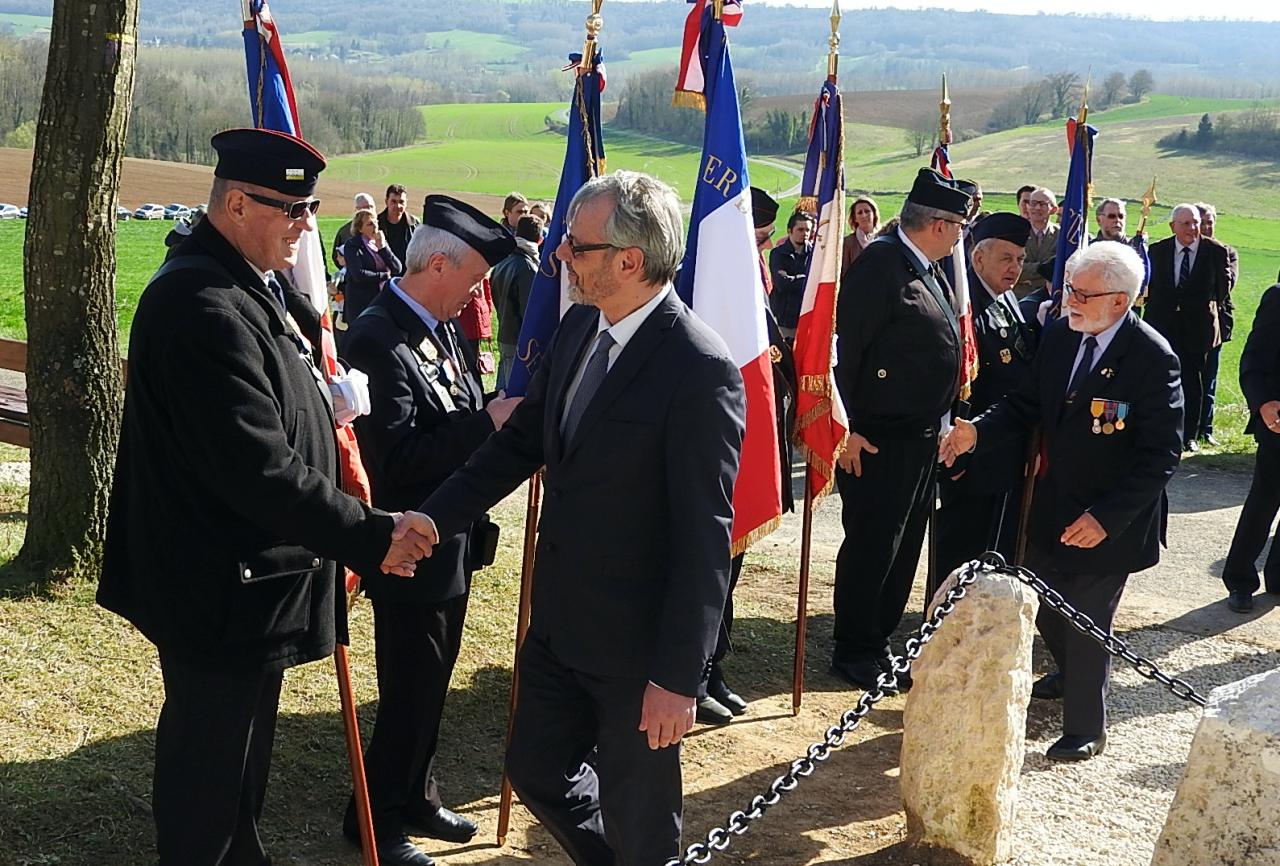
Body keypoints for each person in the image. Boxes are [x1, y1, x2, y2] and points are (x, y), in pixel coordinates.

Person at [97, 127, 434, 866]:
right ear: (238, 203)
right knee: (209, 778)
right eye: (291, 208)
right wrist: (372, 533)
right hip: (217, 587)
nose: (308, 224)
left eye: (310, 206)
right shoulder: (203, 304)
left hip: (254, 584)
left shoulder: (251, 285)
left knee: (238, 771)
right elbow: (257, 469)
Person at [411, 170, 746, 865]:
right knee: (535, 768)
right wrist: (434, 519)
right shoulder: (576, 330)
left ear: (630, 260)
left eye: (577, 245)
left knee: (642, 818)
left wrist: (680, 677)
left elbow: (704, 539)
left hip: (638, 649)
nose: (561, 255)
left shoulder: (700, 369)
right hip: (561, 625)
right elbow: (519, 446)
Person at [941, 242, 1183, 762]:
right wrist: (977, 433)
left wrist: (1106, 518)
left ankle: (1085, 728)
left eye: (1082, 293)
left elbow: (1161, 454)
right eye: (1069, 288)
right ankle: (1071, 673)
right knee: (1045, 601)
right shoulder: (1059, 336)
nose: (1068, 299)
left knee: (1088, 617)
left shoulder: (1151, 357)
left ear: (1119, 301)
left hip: (1107, 517)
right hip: (1051, 503)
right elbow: (1025, 404)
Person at [339, 196, 522, 866]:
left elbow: (459, 407)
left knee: (433, 682)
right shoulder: (375, 337)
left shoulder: (437, 327)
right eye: (472, 281)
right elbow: (395, 462)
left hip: (451, 541)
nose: (476, 296)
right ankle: (374, 821)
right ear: (437, 265)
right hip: (408, 543)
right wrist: (490, 424)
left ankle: (415, 792)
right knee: (409, 687)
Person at [830, 167, 968, 693]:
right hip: (877, 438)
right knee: (874, 544)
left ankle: (878, 640)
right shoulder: (880, 266)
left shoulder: (926, 266)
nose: (961, 235)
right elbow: (845, 352)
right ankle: (855, 648)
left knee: (904, 544)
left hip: (919, 436)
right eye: (958, 225)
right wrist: (849, 428)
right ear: (936, 224)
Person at [692, 186, 797, 726]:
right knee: (705, 570)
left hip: (748, 450)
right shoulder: (710, 289)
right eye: (756, 239)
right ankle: (694, 671)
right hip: (714, 454)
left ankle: (713, 665)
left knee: (729, 570)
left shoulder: (750, 285)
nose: (764, 249)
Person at [934, 213, 1039, 580]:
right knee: (960, 549)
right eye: (1006, 258)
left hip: (1003, 450)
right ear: (978, 259)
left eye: (1021, 260)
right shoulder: (966, 305)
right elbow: (954, 385)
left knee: (994, 549)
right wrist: (956, 461)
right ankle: (944, 622)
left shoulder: (1005, 298)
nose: (1015, 268)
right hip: (971, 455)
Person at [1142, 203, 1231, 451]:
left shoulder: (1215, 251)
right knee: (1158, 379)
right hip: (1162, 326)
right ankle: (1157, 429)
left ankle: (1189, 435)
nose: (1193, 228)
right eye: (1186, 223)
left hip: (1197, 329)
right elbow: (1149, 288)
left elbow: (1223, 289)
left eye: (1196, 223)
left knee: (1192, 383)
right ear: (1173, 226)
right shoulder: (1158, 251)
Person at [1221, 275, 1280, 613]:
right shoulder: (1277, 298)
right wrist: (1263, 404)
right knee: (1264, 502)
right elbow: (1252, 362)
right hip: (1277, 422)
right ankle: (1240, 579)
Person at [1194, 201, 1238, 447]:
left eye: (1211, 222)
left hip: (1214, 326)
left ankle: (1205, 428)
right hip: (1181, 326)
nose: (1207, 228)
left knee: (1209, 378)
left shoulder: (1225, 252)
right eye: (1203, 223)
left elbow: (1226, 286)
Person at [490, 214, 542, 390]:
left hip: (504, 332)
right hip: (521, 342)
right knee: (514, 393)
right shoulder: (528, 267)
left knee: (501, 389)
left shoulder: (504, 261)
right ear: (540, 240)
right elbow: (530, 311)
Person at [343, 209, 404, 325]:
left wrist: (383, 248)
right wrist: (384, 276)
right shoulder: (353, 245)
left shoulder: (379, 242)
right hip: (361, 304)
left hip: (382, 302)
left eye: (376, 222)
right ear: (360, 229)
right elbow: (358, 274)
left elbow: (397, 268)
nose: (375, 226)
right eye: (370, 224)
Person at [769, 210, 815, 340]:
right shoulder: (778, 254)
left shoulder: (815, 254)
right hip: (783, 318)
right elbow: (782, 284)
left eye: (808, 230)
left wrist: (795, 280)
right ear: (790, 230)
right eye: (800, 229)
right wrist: (807, 279)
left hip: (805, 316)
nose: (804, 234)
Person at [1016, 187, 1059, 298]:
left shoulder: (1061, 236)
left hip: (1049, 299)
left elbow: (1058, 270)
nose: (1037, 208)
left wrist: (1028, 271)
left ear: (1054, 209)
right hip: (1018, 298)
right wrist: (1042, 269)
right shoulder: (1015, 233)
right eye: (1033, 203)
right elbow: (1013, 267)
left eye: (1043, 204)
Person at [378, 184, 419, 266]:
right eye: (393, 201)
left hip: (408, 274)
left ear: (406, 202)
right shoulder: (376, 224)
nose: (398, 206)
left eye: (401, 202)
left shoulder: (415, 224)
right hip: (384, 274)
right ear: (386, 201)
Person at [334, 191, 376, 268]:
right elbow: (337, 257)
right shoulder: (345, 231)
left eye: (371, 207)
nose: (369, 210)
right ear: (357, 210)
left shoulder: (383, 227)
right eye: (365, 207)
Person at [841, 195, 880, 272]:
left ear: (874, 214)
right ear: (855, 218)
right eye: (859, 213)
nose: (864, 215)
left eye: (867, 211)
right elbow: (845, 272)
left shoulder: (884, 238)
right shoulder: (848, 242)